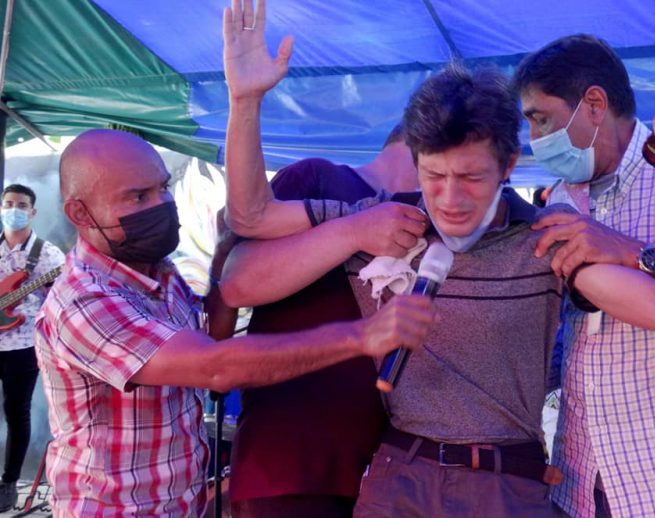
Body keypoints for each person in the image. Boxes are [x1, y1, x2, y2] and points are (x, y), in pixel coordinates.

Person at [220, 2, 655, 513]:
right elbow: (252, 217)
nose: (451, 200)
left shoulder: (546, 239)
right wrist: (245, 100)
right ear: (414, 164)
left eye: (472, 178)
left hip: (505, 486)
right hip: (397, 477)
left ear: (507, 166)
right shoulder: (382, 223)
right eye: (434, 177)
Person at [32, 128, 436, 516]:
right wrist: (361, 336)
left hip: (179, 505)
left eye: (163, 187)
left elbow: (211, 334)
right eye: (138, 197)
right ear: (79, 213)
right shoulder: (83, 300)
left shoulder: (160, 272)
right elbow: (215, 366)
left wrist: (229, 249)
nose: (160, 204)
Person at [513, 35, 655, 516]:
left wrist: (638, 254)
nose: (535, 140)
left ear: (594, 105)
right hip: (582, 484)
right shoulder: (560, 199)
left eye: (542, 119)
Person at [222, 125, 419, 518]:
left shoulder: (443, 220)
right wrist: (356, 230)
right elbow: (237, 284)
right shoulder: (318, 178)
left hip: (393, 477)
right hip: (293, 469)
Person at [0, 184, 65, 512]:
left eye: (21, 204)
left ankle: (9, 482)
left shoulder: (49, 255)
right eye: (9, 203)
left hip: (23, 345)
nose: (15, 209)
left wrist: (53, 289)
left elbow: (63, 298)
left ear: (32, 211)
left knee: (17, 412)